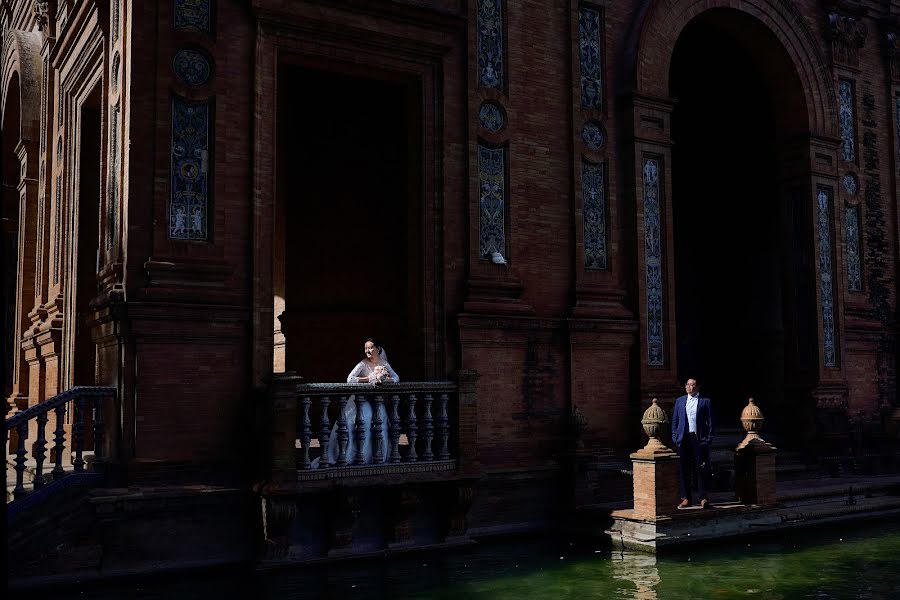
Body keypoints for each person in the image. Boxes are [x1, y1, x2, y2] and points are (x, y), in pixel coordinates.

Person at [314, 338, 398, 468]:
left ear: (378, 349)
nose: (367, 351)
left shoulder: (384, 364)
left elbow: (396, 378)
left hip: (377, 401)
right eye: (365, 348)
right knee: (363, 422)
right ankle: (356, 456)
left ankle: (377, 456)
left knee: (380, 425)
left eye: (370, 348)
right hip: (361, 400)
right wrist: (368, 379)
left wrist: (384, 380)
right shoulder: (362, 364)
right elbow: (350, 379)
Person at [671, 378, 715, 509]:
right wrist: (675, 437)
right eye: (688, 385)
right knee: (684, 469)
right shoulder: (680, 401)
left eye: (693, 385)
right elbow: (675, 421)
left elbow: (711, 422)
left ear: (698, 387)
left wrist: (708, 439)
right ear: (685, 387)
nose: (690, 388)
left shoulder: (705, 402)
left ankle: (703, 497)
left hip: (699, 439)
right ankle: (686, 498)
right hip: (683, 439)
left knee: (700, 469)